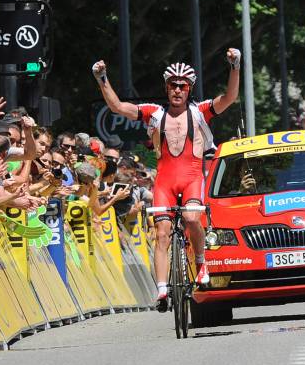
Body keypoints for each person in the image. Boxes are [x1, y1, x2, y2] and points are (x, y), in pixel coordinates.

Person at [91, 48, 241, 311]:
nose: (177, 90)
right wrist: (102, 78)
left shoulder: (200, 111)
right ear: (166, 87)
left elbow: (230, 97)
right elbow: (118, 107)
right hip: (165, 181)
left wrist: (235, 66)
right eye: (173, 85)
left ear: (190, 88)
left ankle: (201, 263)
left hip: (192, 177)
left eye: (183, 86)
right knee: (161, 233)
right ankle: (161, 290)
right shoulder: (154, 113)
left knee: (193, 218)